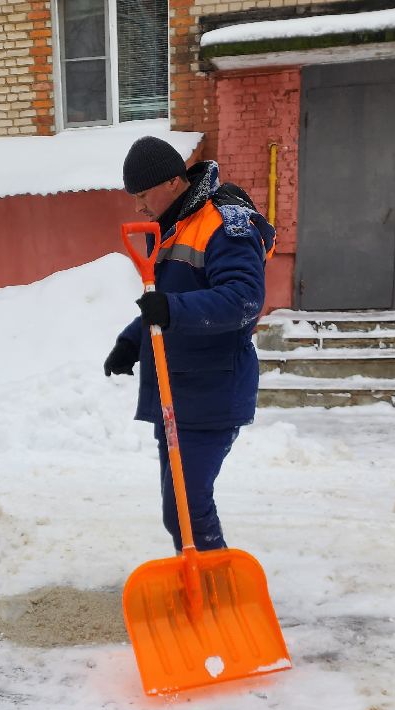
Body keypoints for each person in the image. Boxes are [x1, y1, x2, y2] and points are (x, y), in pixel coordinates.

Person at [104, 135, 276, 553]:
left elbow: (244, 299)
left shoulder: (224, 223)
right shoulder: (174, 225)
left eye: (143, 194)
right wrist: (132, 340)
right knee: (178, 508)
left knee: (188, 504)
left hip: (211, 392)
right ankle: (196, 581)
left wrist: (172, 311)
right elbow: (165, 301)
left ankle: (214, 592)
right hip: (177, 391)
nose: (139, 206)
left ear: (173, 182)